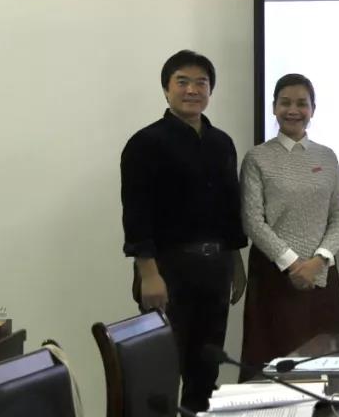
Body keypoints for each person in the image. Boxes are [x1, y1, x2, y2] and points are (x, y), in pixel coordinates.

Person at [120, 50, 247, 413]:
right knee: (162, 371)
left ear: (210, 91)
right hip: (167, 270)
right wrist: (148, 275)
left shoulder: (221, 142)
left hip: (215, 270)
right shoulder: (145, 143)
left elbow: (229, 210)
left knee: (205, 370)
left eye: (201, 83)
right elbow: (136, 214)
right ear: (166, 89)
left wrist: (236, 264)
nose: (192, 90)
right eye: (182, 82)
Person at [240, 74, 339, 379]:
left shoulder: (327, 157)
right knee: (271, 364)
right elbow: (252, 220)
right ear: (274, 107)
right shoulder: (257, 158)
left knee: (324, 365)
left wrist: (318, 261)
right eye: (285, 102)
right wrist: (292, 263)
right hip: (273, 276)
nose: (293, 110)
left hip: (321, 275)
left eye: (302, 103)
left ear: (312, 109)